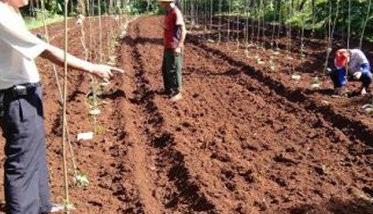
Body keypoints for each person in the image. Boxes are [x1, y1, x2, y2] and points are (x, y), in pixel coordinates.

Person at [0, 0, 123, 213]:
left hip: (25, 93)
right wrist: (91, 67)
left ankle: (41, 205)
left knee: (35, 153)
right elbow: (45, 51)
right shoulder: (1, 14)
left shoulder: (11, 11)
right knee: (22, 163)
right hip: (16, 97)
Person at [158, 0, 187, 102]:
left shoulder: (176, 12)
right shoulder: (169, 12)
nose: (161, 5)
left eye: (163, 3)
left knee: (174, 69)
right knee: (166, 69)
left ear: (168, 3)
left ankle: (177, 92)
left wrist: (179, 46)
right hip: (168, 45)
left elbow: (183, 30)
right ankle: (169, 90)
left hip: (174, 46)